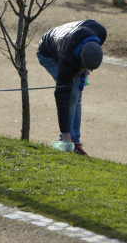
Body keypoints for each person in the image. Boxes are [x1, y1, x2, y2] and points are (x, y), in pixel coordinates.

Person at [36, 19, 106, 156]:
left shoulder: (100, 32)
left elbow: (91, 51)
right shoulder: (66, 56)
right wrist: (66, 137)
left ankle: (75, 140)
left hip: (71, 44)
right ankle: (68, 141)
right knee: (72, 93)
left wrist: (85, 67)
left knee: (77, 93)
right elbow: (61, 96)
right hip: (48, 54)